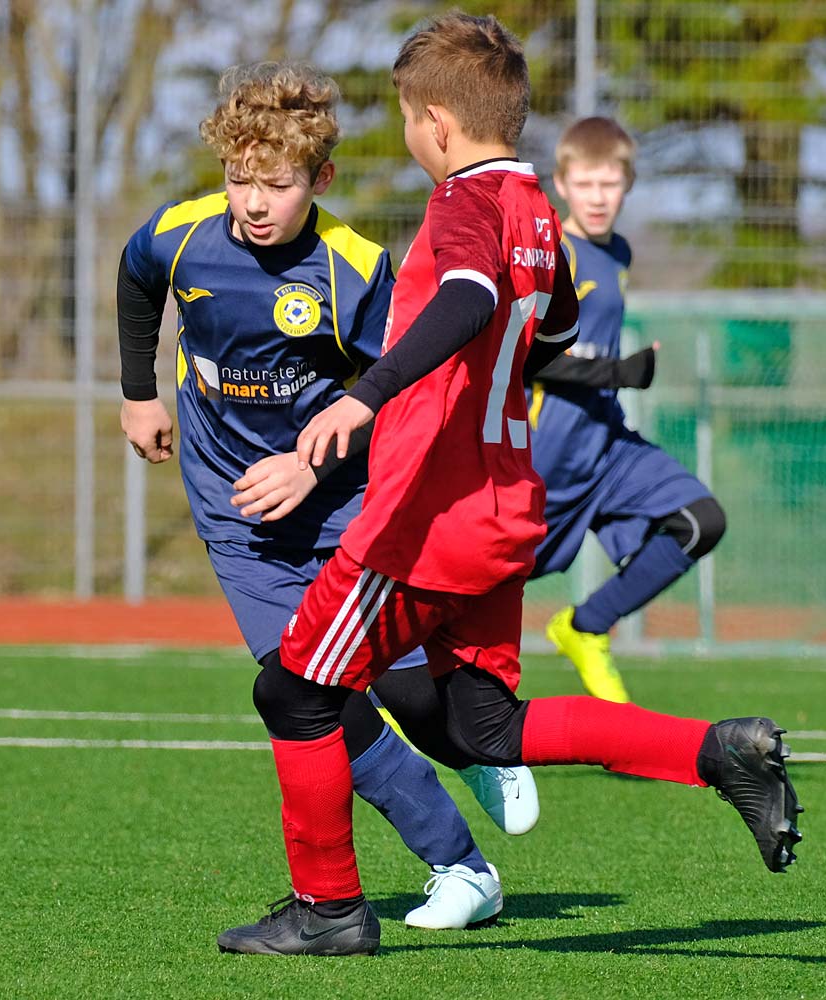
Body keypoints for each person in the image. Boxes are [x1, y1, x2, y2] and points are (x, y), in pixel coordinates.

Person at [217, 12, 802, 958]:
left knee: (293, 693)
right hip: (503, 511)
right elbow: (553, 333)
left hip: (426, 519)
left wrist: (366, 396)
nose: (407, 135)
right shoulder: (536, 212)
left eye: (406, 117)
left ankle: (328, 911)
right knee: (484, 728)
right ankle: (717, 752)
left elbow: (469, 298)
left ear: (437, 123)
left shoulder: (463, 205)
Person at [117, 61, 539, 932]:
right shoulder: (181, 234)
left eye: (276, 185)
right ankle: (461, 868)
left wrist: (310, 468)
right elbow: (136, 276)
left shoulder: (355, 271)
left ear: (322, 180)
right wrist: (138, 393)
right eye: (239, 180)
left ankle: (478, 745)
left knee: (416, 701)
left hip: (345, 502)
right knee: (310, 695)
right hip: (237, 514)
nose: (252, 203)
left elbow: (403, 397)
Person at [529, 116, 727, 703]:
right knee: (462, 597)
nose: (597, 197)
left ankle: (586, 627)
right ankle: (385, 698)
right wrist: (618, 372)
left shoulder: (618, 252)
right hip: (542, 463)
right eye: (585, 184)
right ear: (562, 184)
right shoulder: (551, 251)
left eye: (609, 184)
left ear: (628, 184)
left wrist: (619, 376)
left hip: (607, 448)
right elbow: (524, 356)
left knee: (701, 522)